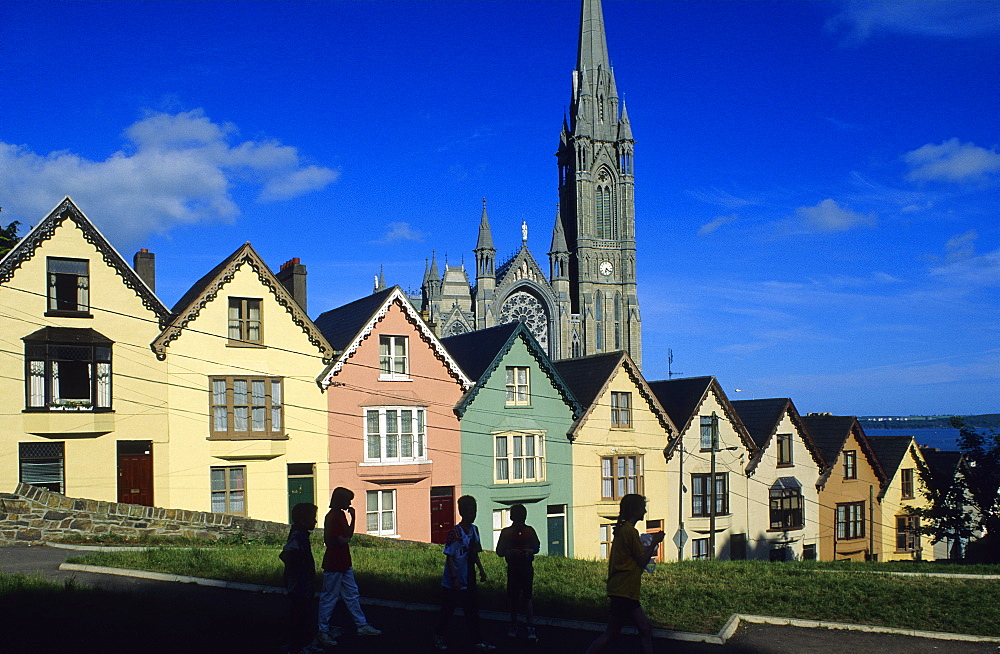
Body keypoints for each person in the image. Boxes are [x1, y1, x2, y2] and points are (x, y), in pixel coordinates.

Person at [585, 494, 664, 654]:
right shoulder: (630, 532)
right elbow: (642, 560)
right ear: (635, 511)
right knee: (643, 629)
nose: (645, 510)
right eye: (642, 507)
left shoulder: (624, 531)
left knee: (615, 633)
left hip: (621, 589)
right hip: (625, 590)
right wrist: (655, 542)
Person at [317, 487, 382, 646]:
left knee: (345, 594)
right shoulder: (336, 516)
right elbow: (345, 538)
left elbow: (343, 538)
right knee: (334, 596)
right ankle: (324, 630)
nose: (350, 503)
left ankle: (359, 624)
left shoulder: (334, 515)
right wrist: (353, 519)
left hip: (338, 561)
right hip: (338, 561)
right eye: (348, 500)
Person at [433, 495, 494, 651]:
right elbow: (450, 557)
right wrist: (454, 578)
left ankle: (477, 640)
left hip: (469, 577)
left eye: (474, 512)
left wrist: (481, 570)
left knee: (472, 611)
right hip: (454, 580)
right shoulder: (455, 532)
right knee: (447, 610)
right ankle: (439, 637)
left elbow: (474, 554)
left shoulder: (474, 531)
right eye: (469, 512)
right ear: (462, 513)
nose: (472, 515)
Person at [495, 504, 540, 643]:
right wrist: (511, 552)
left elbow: (536, 547)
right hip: (516, 567)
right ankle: (523, 626)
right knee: (520, 597)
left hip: (523, 567)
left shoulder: (524, 531)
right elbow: (500, 551)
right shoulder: (510, 532)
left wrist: (529, 551)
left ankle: (522, 626)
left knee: (524, 597)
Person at [280, 502, 319, 654]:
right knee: (300, 616)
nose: (315, 521)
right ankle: (298, 646)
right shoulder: (298, 536)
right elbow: (287, 554)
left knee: (299, 615)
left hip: (299, 583)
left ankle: (297, 644)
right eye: (312, 518)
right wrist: (300, 572)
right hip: (300, 585)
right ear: (303, 521)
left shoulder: (299, 534)